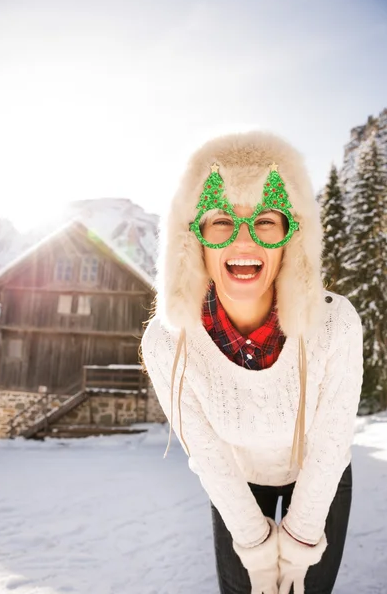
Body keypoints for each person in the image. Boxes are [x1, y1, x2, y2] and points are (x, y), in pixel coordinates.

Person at [141, 131, 363, 594]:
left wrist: (300, 543)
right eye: (220, 220)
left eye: (265, 220)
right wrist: (255, 546)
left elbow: (330, 440)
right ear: (193, 240)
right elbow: (206, 451)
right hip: (238, 479)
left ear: (291, 238)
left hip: (318, 473)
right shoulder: (167, 343)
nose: (243, 240)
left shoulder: (335, 323)